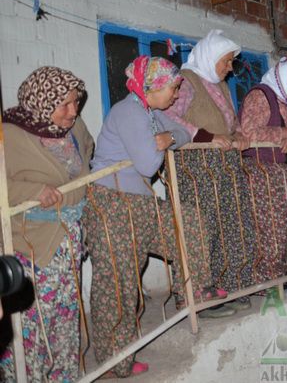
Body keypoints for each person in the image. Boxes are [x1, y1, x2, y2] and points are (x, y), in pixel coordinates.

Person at [81, 56, 218, 378]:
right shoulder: (128, 111)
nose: (176, 93)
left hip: (138, 201)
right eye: (172, 87)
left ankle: (193, 290)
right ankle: (117, 360)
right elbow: (147, 165)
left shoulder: (150, 112)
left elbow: (182, 135)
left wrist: (168, 138)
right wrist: (163, 141)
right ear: (151, 86)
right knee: (119, 284)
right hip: (111, 203)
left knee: (190, 222)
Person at [0, 67, 94, 382]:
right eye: (65, 104)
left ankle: (63, 377)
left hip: (68, 240)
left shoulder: (75, 127)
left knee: (65, 317)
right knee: (32, 322)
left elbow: (88, 152)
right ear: (42, 101)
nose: (74, 111)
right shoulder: (11, 134)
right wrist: (33, 192)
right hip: (31, 243)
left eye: (76, 102)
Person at [165, 30, 255, 318]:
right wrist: (206, 136)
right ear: (210, 57)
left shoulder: (220, 85)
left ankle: (225, 289)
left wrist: (239, 135)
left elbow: (232, 123)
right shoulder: (187, 81)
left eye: (231, 62)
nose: (230, 69)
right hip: (197, 169)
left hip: (222, 168)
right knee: (202, 230)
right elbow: (165, 117)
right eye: (226, 62)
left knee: (229, 224)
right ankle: (198, 296)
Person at [239, 57, 287, 282]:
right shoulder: (260, 95)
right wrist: (284, 133)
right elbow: (249, 132)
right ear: (285, 78)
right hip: (263, 170)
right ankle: (268, 279)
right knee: (273, 226)